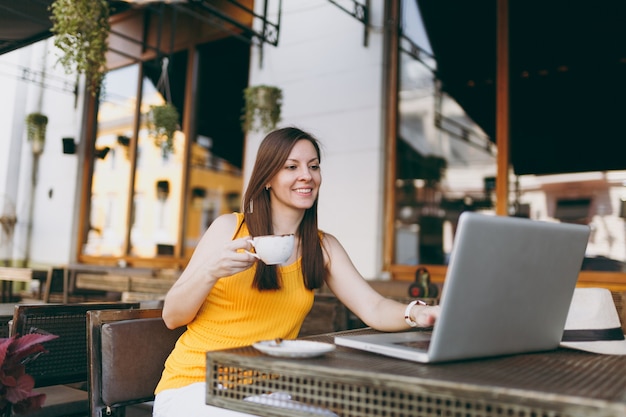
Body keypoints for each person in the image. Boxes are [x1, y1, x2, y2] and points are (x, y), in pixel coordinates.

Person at [152, 127, 440, 416]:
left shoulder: (322, 246)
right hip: (194, 387)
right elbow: (172, 317)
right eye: (292, 167)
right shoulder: (230, 229)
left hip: (265, 392)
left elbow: (374, 307)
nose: (307, 175)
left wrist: (417, 314)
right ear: (267, 178)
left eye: (313, 166)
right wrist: (210, 271)